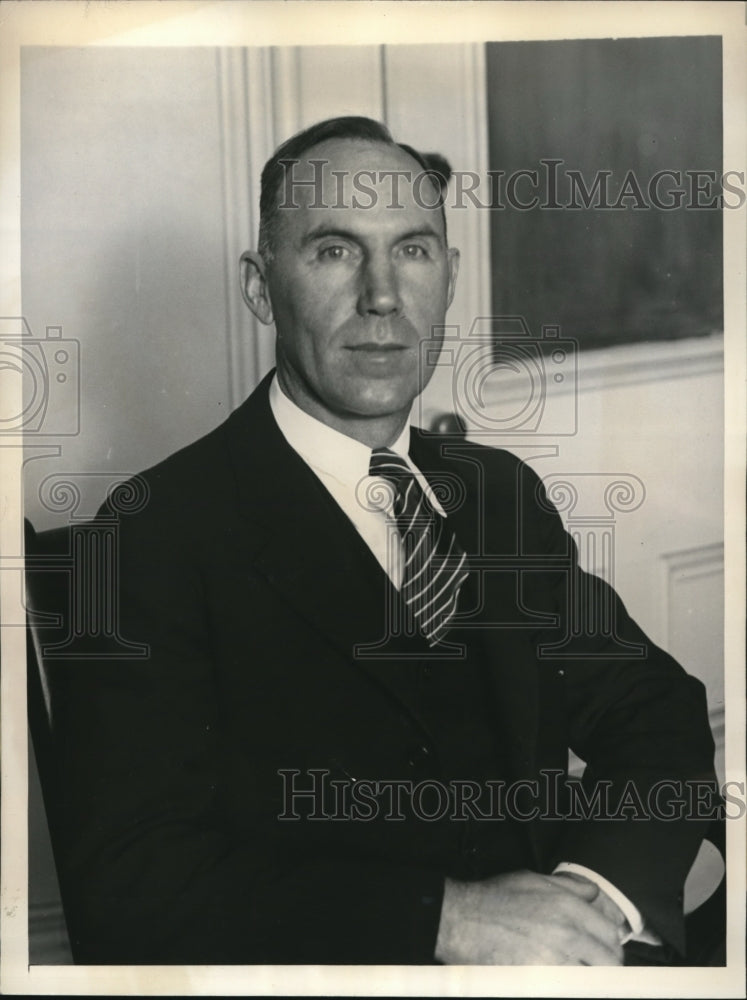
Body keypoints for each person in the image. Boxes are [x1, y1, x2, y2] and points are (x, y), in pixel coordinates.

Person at [50, 116, 718, 966]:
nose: (382, 296)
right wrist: (449, 922)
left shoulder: (496, 494)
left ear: (449, 277)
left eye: (412, 250)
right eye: (334, 251)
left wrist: (591, 899)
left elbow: (653, 710)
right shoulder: (149, 534)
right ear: (260, 287)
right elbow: (128, 884)